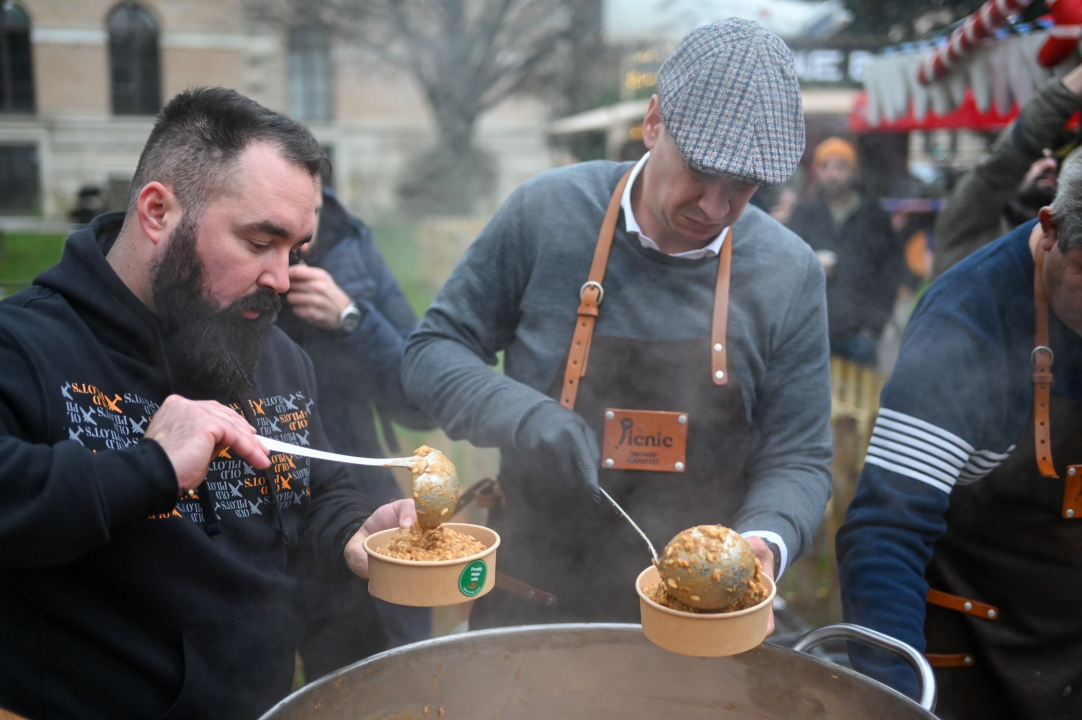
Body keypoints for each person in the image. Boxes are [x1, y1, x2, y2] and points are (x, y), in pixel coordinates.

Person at [402, 19, 832, 629]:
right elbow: (430, 354)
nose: (714, 207)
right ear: (654, 122)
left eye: (743, 186)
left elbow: (799, 454)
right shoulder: (546, 214)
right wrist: (524, 413)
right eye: (701, 170)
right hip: (532, 607)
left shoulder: (789, 272)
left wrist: (766, 541)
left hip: (701, 626)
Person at [0, 87, 413, 719]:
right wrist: (152, 466)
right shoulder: (24, 347)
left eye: (296, 250)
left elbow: (315, 490)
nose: (282, 278)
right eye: (258, 242)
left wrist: (352, 532)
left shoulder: (273, 352)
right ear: (159, 211)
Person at [837, 155, 1082, 718]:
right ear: (1050, 229)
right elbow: (884, 534)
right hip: (972, 663)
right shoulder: (967, 319)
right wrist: (895, 703)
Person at [276, 185, 433, 680]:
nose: (303, 232)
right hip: (258, 515)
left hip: (357, 500)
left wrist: (351, 319)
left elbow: (419, 401)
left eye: (314, 213)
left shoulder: (353, 254)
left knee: (389, 677)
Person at [931, 63, 1082, 279]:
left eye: (1054, 159)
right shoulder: (969, 222)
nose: (1049, 165)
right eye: (1036, 158)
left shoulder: (1061, 242)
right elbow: (1007, 159)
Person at [786, 137, 903, 367]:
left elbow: (891, 270)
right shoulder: (803, 215)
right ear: (817, 172)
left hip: (861, 335)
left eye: (841, 167)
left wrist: (875, 325)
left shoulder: (874, 216)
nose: (833, 174)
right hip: (812, 333)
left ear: (854, 172)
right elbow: (787, 268)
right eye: (826, 167)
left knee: (859, 399)